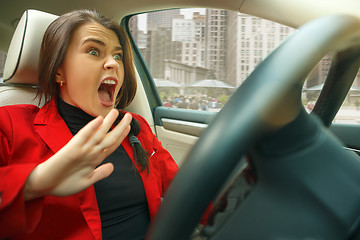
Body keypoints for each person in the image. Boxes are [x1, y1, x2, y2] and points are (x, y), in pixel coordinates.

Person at [0, 9, 178, 240]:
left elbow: (184, 191)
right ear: (58, 70)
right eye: (94, 51)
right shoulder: (10, 125)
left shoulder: (135, 126)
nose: (113, 63)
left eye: (118, 56)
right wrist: (34, 182)